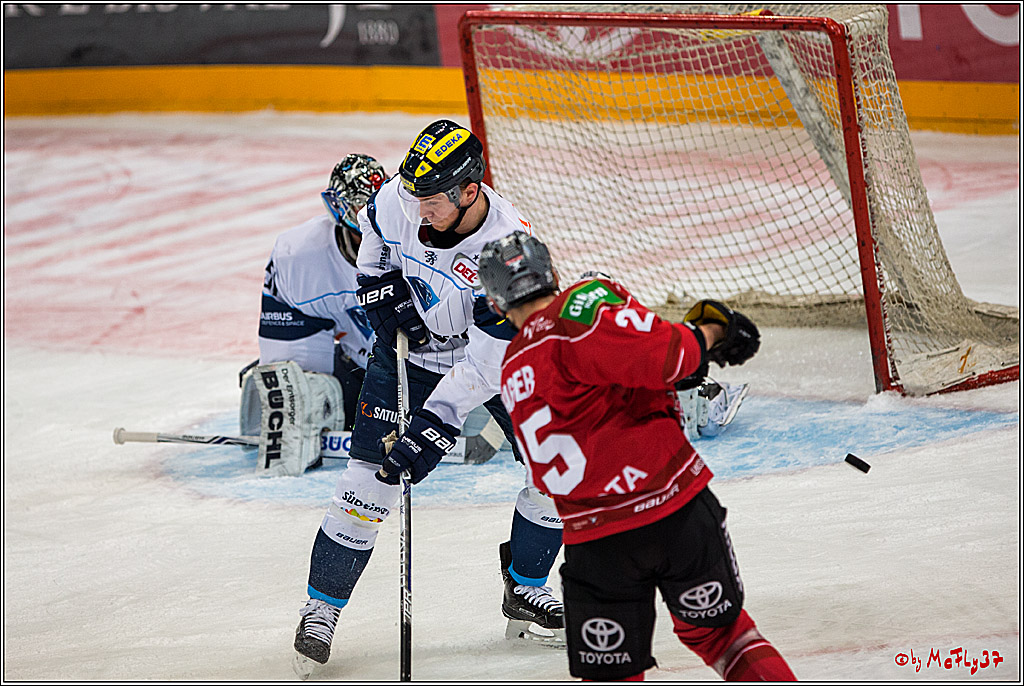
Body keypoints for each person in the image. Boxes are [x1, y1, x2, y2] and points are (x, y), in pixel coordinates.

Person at [291, 121, 566, 676]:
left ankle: (526, 587)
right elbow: (374, 239)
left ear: (469, 192)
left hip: (491, 363)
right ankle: (321, 608)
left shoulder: (510, 250)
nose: (419, 211)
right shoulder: (401, 197)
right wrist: (377, 290)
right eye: (414, 196)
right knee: (367, 485)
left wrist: (437, 423)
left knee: (560, 472)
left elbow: (486, 365)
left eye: (432, 200)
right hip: (407, 358)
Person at [477, 232, 796, 681]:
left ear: (495, 303)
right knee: (724, 637)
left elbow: (547, 477)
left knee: (613, 675)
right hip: (674, 509)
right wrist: (713, 330)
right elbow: (673, 357)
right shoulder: (583, 304)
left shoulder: (512, 365)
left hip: (596, 538)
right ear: (551, 274)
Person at [239, 153, 506, 465]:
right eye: (359, 205)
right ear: (336, 206)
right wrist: (295, 399)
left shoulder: (428, 239)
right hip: (372, 369)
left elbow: (494, 339)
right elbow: (288, 345)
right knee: (292, 394)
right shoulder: (299, 256)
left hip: (450, 372)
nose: (369, 214)